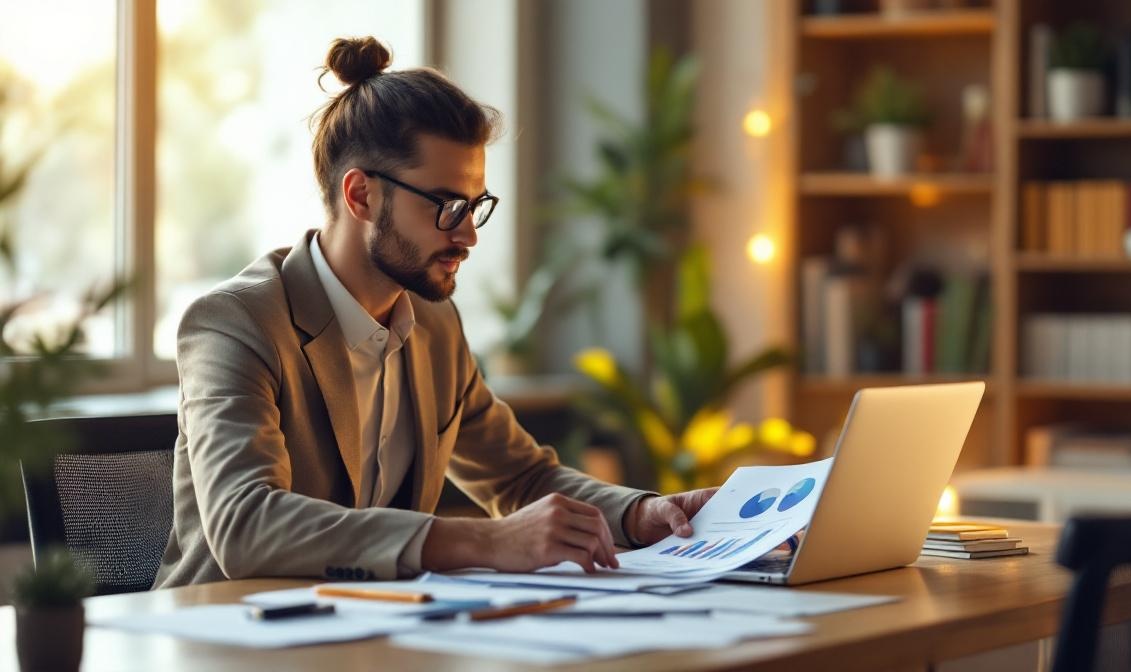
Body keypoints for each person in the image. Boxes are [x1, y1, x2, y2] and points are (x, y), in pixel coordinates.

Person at [154, 36, 714, 588]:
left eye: (475, 206)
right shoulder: (237, 322)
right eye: (447, 206)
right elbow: (244, 524)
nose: (468, 235)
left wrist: (639, 514)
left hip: (371, 625)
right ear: (361, 196)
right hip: (225, 626)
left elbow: (520, 477)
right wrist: (486, 541)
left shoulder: (434, 324)